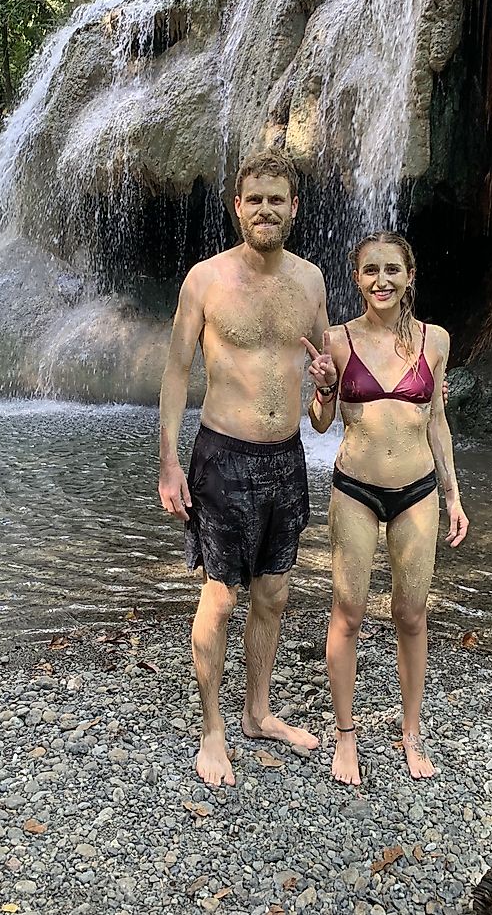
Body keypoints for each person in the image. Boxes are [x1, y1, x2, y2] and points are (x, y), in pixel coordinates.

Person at [158, 148, 329, 788]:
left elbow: (321, 397)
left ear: (292, 207)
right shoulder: (205, 278)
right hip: (221, 455)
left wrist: (326, 390)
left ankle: (257, 712)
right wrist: (169, 461)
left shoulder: (311, 283)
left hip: (286, 457)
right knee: (222, 597)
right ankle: (212, 729)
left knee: (275, 593)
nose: (265, 209)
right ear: (238, 207)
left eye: (276, 198)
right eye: (254, 198)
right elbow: (177, 370)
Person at [301, 231, 468, 784]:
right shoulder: (338, 340)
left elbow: (438, 422)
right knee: (348, 612)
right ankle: (346, 736)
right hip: (354, 489)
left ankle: (411, 733)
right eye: (371, 270)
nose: (382, 280)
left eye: (392, 269)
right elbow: (322, 423)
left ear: (409, 276)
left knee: (411, 615)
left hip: (417, 492)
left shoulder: (436, 340)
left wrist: (453, 495)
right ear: (357, 278)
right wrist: (324, 389)